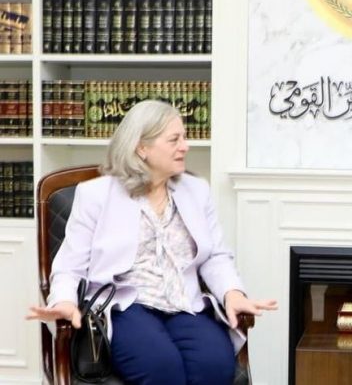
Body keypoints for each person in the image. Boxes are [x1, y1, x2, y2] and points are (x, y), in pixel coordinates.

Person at [27, 100, 277, 385]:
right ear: (141, 148)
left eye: (184, 137)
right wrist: (64, 301)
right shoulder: (95, 195)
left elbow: (214, 256)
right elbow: (70, 266)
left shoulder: (197, 191)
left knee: (215, 365)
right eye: (174, 139)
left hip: (185, 304)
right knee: (162, 368)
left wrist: (232, 294)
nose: (185, 146)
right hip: (126, 306)